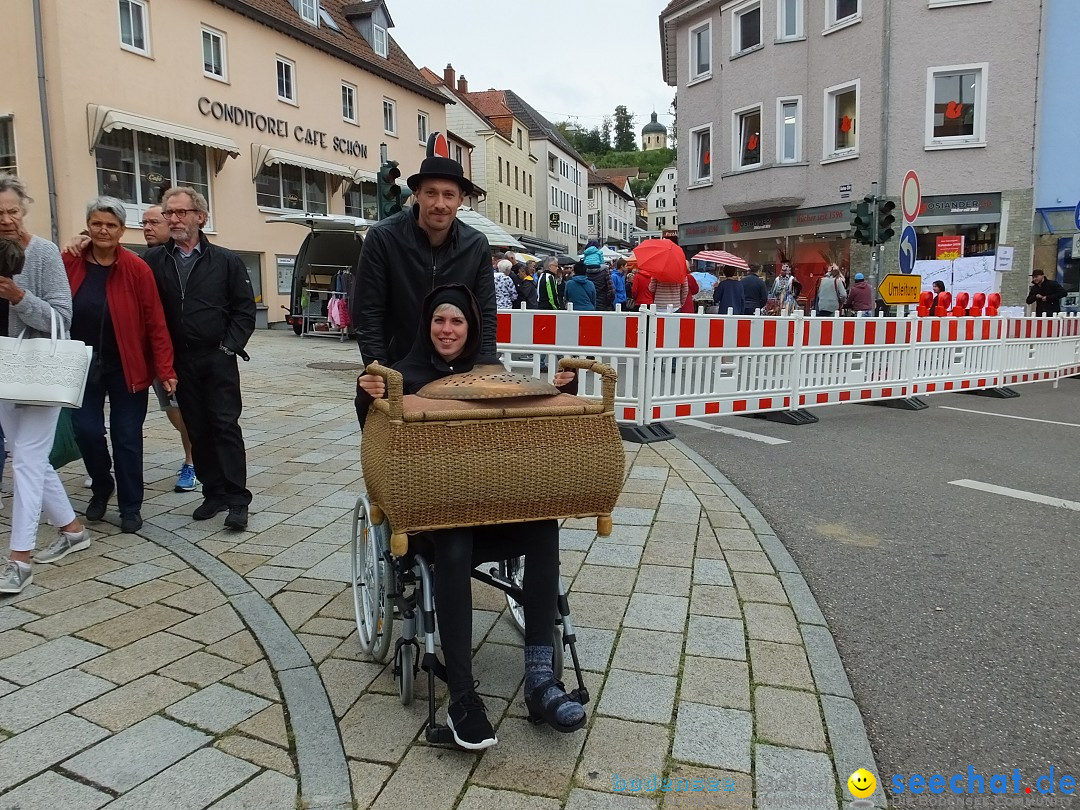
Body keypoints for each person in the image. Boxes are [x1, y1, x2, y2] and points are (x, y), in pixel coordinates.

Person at [357, 284, 586, 749]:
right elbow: (374, 432)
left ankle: (541, 680)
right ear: (427, 325)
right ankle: (462, 694)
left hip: (493, 504)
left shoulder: (493, 373)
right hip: (431, 513)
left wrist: (566, 390)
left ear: (471, 327)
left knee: (544, 527)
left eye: (457, 321)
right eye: (440, 320)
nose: (447, 329)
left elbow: (526, 418)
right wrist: (365, 395)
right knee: (454, 540)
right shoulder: (400, 375)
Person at [143, 187, 256, 529]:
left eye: (180, 212)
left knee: (225, 426)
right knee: (197, 428)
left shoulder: (226, 260)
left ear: (200, 217)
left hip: (217, 357)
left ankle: (237, 499)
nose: (173, 219)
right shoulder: (153, 261)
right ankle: (214, 492)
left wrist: (229, 347)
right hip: (178, 362)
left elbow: (244, 310)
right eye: (169, 213)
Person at [62, 197, 176, 534]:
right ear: (88, 226)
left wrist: (166, 369)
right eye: (97, 223)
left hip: (127, 365)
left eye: (111, 225)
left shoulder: (137, 268)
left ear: (122, 230)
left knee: (127, 436)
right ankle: (101, 485)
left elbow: (156, 321)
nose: (103, 230)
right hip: (80, 365)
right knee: (86, 430)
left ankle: (131, 504)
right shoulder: (70, 261)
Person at [0, 174, 89, 594]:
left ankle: (19, 560)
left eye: (12, 211)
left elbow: (61, 318)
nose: (5, 220)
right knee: (24, 455)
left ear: (24, 210)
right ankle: (73, 530)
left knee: (27, 462)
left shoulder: (44, 253)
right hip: (3, 372)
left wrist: (19, 297)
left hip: (38, 373)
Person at [352, 154, 496, 371]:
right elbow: (367, 311)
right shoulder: (384, 237)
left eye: (448, 195)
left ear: (460, 200)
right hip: (397, 365)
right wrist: (378, 369)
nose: (440, 204)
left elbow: (485, 313)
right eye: (431, 193)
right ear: (417, 194)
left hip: (456, 371)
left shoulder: (475, 244)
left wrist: (485, 370)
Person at [142, 205, 198, 492]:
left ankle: (192, 461)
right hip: (154, 350)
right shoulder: (147, 260)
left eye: (154, 221)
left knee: (182, 408)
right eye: (144, 223)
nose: (147, 227)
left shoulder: (185, 258)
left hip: (184, 352)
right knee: (172, 409)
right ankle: (197, 453)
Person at [583, 244, 614, 311]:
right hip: (602, 305)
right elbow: (611, 291)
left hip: (587, 305)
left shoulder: (583, 272)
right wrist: (608, 303)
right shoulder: (605, 271)